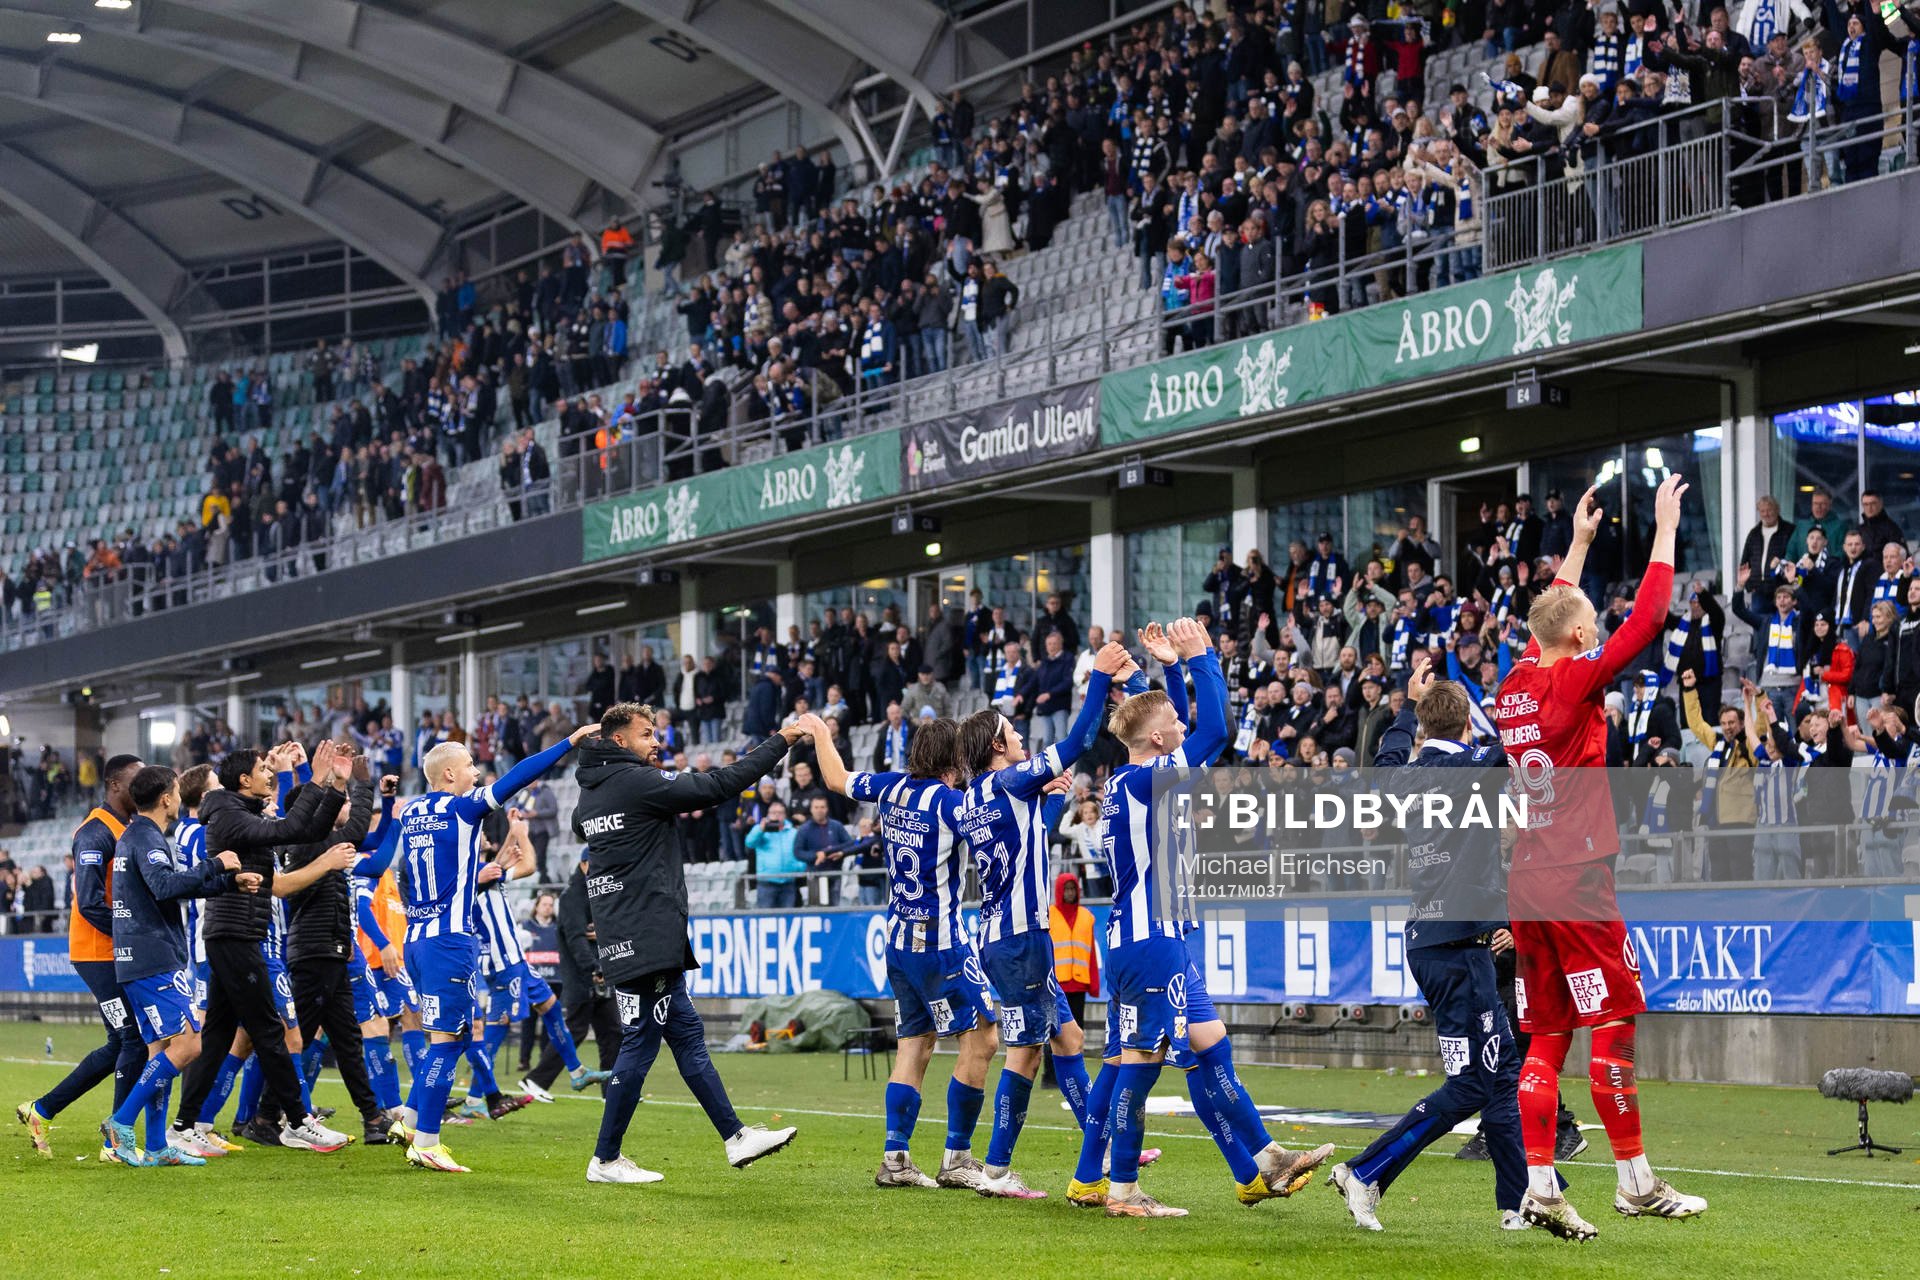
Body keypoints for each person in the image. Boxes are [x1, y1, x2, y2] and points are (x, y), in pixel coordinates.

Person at [1492, 475, 1707, 1239]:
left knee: (1547, 1035)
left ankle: (1542, 1187)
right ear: (1581, 639)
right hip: (1578, 878)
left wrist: (1580, 545)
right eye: (1588, 624)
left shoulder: (1516, 684)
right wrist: (1665, 529)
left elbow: (1548, 617)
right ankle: (1635, 1183)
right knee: (1613, 1020)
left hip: (1528, 884)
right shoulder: (1575, 679)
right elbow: (1645, 620)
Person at [1075, 617, 1331, 1217]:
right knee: (1140, 1064)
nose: (1181, 728)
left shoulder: (1135, 778)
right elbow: (1214, 726)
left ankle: (1265, 1161)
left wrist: (1163, 670)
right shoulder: (1153, 780)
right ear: (1160, 742)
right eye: (1172, 727)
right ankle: (1121, 1191)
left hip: (1149, 935)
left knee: (1207, 1043)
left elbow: (1181, 722)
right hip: (1152, 939)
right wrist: (1202, 657)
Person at [1329, 662, 1527, 1232]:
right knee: (1480, 1082)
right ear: (1468, 722)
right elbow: (1521, 740)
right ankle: (1367, 1171)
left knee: (1496, 1075)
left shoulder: (1407, 772)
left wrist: (1405, 710)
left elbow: (1385, 761)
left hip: (1432, 943)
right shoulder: (1476, 765)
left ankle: (1520, 1203)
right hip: (1464, 949)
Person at [570, 701, 804, 1185]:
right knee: (639, 1045)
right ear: (619, 741)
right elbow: (719, 785)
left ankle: (736, 1137)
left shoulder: (590, 795)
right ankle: (606, 1158)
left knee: (689, 1038)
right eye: (646, 734)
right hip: (646, 934)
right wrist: (781, 740)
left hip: (629, 933)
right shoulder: (637, 783)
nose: (656, 742)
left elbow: (583, 827)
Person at [955, 639, 1135, 1199]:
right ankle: (996, 1170)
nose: (1018, 736)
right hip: (1020, 938)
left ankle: (1096, 1145)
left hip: (1007, 935)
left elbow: (1025, 836)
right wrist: (1098, 680)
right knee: (1028, 1051)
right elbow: (1081, 740)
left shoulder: (979, 796)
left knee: (1068, 1037)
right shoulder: (1009, 781)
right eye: (1010, 731)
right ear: (995, 745)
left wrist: (1052, 798)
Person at [384, 725, 597, 1173]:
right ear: (447, 775)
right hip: (449, 941)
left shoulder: (412, 812)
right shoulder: (463, 810)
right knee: (448, 1042)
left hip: (418, 939)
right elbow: (519, 777)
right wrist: (568, 743)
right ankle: (427, 1141)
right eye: (468, 765)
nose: (477, 772)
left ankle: (409, 1118)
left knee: (442, 1037)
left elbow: (404, 873)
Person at [807, 711, 997, 1191]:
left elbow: (834, 777)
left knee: (916, 1044)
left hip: (897, 940)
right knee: (982, 1040)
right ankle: (957, 1156)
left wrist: (821, 731)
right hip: (940, 941)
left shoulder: (890, 788)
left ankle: (896, 1158)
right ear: (955, 758)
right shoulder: (953, 803)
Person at [171, 742, 353, 1155]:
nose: (269, 773)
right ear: (243, 780)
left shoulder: (240, 812)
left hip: (236, 935)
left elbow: (308, 830)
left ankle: (184, 1125)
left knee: (216, 1036)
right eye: (262, 769)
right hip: (234, 936)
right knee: (269, 1030)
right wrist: (317, 780)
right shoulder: (229, 815)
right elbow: (288, 830)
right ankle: (298, 1120)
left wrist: (336, 786)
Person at [103, 765, 264, 1166]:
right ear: (166, 798)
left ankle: (156, 1146)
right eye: (174, 791)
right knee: (191, 1044)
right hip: (153, 957)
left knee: (163, 1050)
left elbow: (166, 889)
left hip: (139, 957)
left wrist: (228, 882)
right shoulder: (147, 838)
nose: (177, 797)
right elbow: (165, 886)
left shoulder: (139, 835)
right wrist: (216, 865)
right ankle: (121, 1122)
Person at [17, 754, 147, 1159]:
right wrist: (135, 933)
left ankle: (42, 1109)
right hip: (97, 952)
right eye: (136, 781)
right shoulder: (94, 832)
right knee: (134, 1040)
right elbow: (89, 903)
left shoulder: (128, 828)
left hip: (118, 951)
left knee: (123, 1043)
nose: (143, 788)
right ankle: (115, 1140)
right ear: (114, 785)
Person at [464, 810, 610, 1120]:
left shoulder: (482, 872)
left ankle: (576, 1070)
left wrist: (511, 837)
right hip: (502, 963)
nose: (488, 837)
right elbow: (529, 865)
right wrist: (520, 832)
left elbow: (503, 859)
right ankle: (476, 1097)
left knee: (551, 1007)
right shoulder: (478, 873)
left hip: (515, 960)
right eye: (483, 835)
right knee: (497, 1031)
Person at [521, 852, 620, 1102]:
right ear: (583, 865)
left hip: (598, 975)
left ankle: (613, 1092)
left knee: (612, 1033)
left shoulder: (595, 893)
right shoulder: (572, 897)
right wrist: (594, 968)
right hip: (582, 978)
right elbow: (576, 939)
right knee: (575, 1031)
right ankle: (535, 1079)